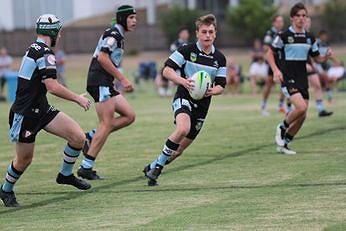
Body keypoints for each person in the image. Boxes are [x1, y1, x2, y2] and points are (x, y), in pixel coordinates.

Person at [0, 14, 92, 207]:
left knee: (77, 137)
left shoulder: (36, 48)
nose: (59, 36)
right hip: (25, 114)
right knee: (24, 160)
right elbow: (52, 86)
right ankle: (5, 190)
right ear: (52, 32)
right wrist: (77, 98)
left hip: (41, 109)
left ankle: (65, 175)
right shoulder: (45, 53)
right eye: (59, 32)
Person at [143, 14, 227, 186]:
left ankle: (151, 166)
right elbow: (166, 71)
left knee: (180, 149)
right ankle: (157, 169)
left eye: (211, 32)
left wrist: (213, 91)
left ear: (215, 34)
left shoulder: (220, 58)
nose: (207, 35)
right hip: (183, 97)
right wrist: (184, 82)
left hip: (203, 105)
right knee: (183, 128)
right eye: (204, 32)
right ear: (197, 33)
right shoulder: (186, 50)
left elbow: (221, 85)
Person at [266, 3, 334, 155]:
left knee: (303, 115)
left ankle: (285, 144)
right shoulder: (283, 36)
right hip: (288, 77)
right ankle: (282, 127)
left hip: (302, 78)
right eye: (298, 16)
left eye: (304, 16)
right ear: (292, 18)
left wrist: (326, 56)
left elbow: (317, 59)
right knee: (301, 107)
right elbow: (269, 53)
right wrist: (276, 70)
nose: (301, 18)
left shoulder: (310, 38)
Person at [78, 5, 136, 180]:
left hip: (105, 83)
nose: (135, 21)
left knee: (129, 115)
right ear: (122, 19)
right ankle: (86, 168)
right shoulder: (113, 35)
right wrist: (122, 79)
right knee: (107, 123)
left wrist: (115, 80)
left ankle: (91, 136)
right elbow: (102, 57)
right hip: (99, 81)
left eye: (135, 18)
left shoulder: (118, 35)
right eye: (131, 17)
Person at [262, 15, 292, 115]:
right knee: (269, 84)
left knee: (285, 83)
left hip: (282, 62)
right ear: (273, 23)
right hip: (272, 63)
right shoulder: (270, 34)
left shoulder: (283, 34)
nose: (280, 23)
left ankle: (281, 106)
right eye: (278, 21)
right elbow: (266, 48)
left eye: (281, 21)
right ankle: (263, 106)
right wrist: (275, 50)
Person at [304, 18, 333, 117]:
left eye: (309, 22)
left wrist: (326, 56)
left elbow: (314, 56)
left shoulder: (311, 37)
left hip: (310, 66)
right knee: (297, 91)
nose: (308, 24)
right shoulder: (296, 36)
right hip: (297, 67)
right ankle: (289, 109)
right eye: (307, 22)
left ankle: (320, 110)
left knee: (317, 85)